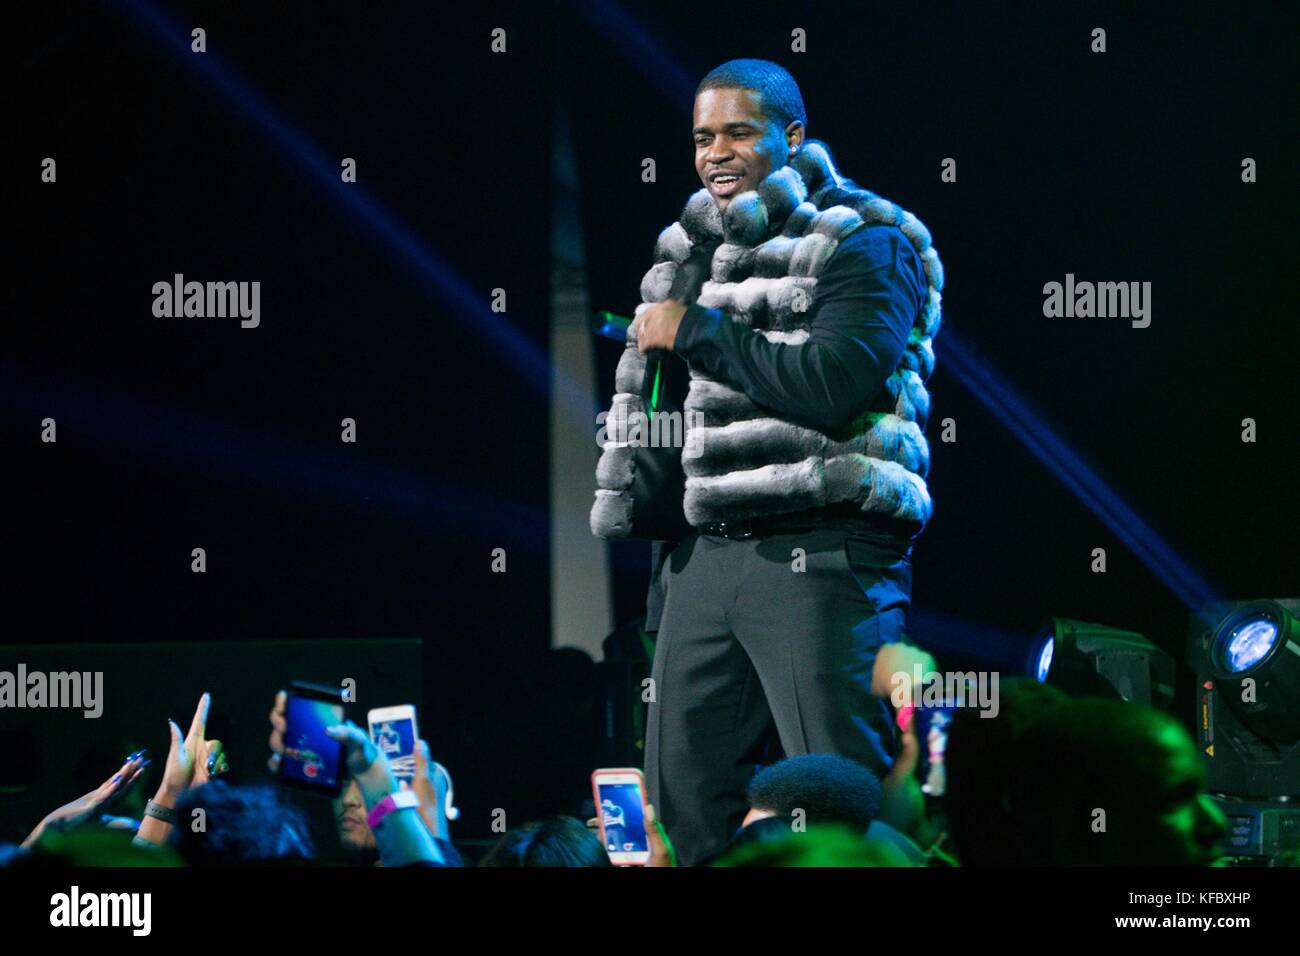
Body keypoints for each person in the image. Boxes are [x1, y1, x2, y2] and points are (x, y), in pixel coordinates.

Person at [590, 58, 943, 864]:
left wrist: (698, 331)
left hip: (820, 551)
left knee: (845, 792)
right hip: (705, 558)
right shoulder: (689, 253)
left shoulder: (865, 237)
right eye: (702, 137)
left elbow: (834, 384)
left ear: (792, 136)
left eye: (738, 132)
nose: (716, 152)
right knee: (681, 799)